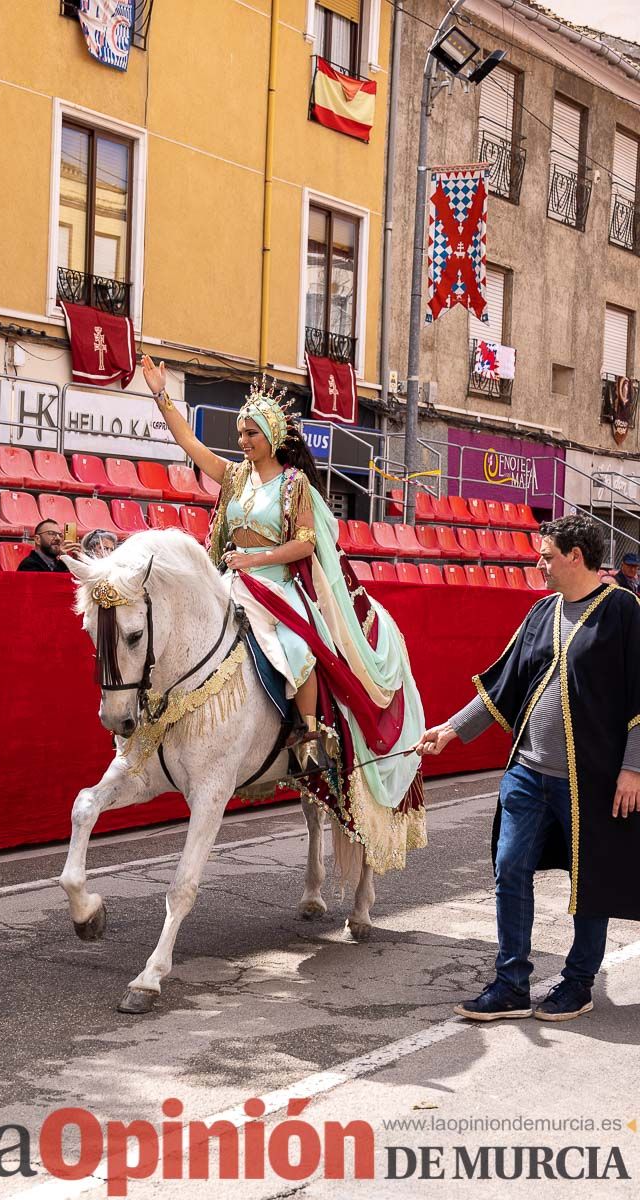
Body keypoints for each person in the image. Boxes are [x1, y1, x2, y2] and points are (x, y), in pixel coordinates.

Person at [139, 354, 426, 875]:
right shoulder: (234, 478)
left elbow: (305, 544)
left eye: (251, 432)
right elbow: (190, 445)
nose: (243, 439)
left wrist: (255, 559)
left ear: (272, 435)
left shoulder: (294, 484)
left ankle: (311, 734)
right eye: (241, 431)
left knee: (300, 649)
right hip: (233, 580)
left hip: (275, 585)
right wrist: (161, 394)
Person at [418, 514, 640, 1022]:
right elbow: (505, 686)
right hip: (527, 773)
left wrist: (634, 768)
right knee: (509, 867)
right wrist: (449, 730)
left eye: (546, 555)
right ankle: (511, 983)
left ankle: (578, 982)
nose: (538, 563)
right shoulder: (541, 612)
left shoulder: (623, 611)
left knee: (592, 880)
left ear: (575, 557)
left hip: (592, 781)